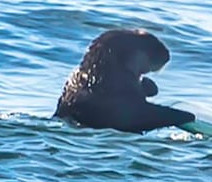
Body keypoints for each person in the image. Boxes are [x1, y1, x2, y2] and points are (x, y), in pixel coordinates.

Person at [55, 29, 196, 134]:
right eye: (143, 70)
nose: (141, 74)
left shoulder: (79, 78)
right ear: (137, 55)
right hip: (99, 132)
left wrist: (141, 88)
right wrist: (182, 117)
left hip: (67, 128)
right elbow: (134, 117)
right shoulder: (116, 84)